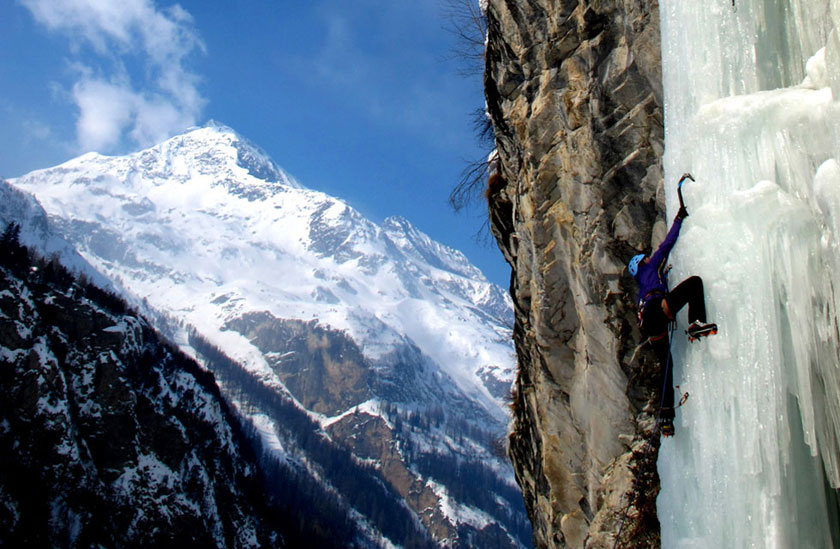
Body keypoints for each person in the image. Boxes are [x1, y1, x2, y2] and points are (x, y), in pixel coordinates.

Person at [628, 204, 717, 437]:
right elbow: (666, 245)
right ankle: (696, 324)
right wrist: (678, 219)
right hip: (657, 311)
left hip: (650, 324)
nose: (649, 258)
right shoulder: (651, 267)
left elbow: (655, 286)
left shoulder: (642, 286)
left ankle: (666, 416)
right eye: (645, 259)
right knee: (694, 284)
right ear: (643, 263)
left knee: (667, 366)